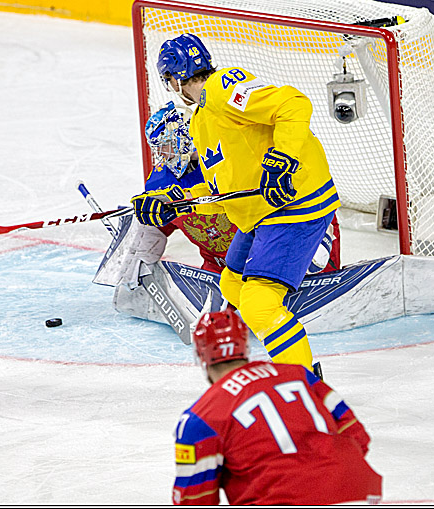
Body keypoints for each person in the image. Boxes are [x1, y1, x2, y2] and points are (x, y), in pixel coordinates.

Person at [132, 33, 340, 374]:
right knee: (231, 284)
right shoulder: (201, 120)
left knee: (259, 304)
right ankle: (254, 359)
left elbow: (294, 105)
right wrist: (176, 202)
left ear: (174, 78)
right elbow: (226, 192)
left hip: (294, 205)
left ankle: (302, 382)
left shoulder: (223, 88)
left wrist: (284, 158)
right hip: (261, 213)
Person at [171, 309, 382, 505]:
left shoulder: (200, 418)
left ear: (200, 356)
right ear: (245, 346)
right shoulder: (300, 375)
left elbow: (195, 498)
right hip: (358, 493)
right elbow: (357, 434)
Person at [142, 100, 340, 275]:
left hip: (271, 238)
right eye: (157, 148)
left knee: (307, 261)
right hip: (224, 265)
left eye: (165, 145)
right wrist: (142, 256)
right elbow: (156, 221)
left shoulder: (230, 155)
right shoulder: (161, 181)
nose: (162, 154)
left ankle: (315, 241)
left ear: (182, 135)